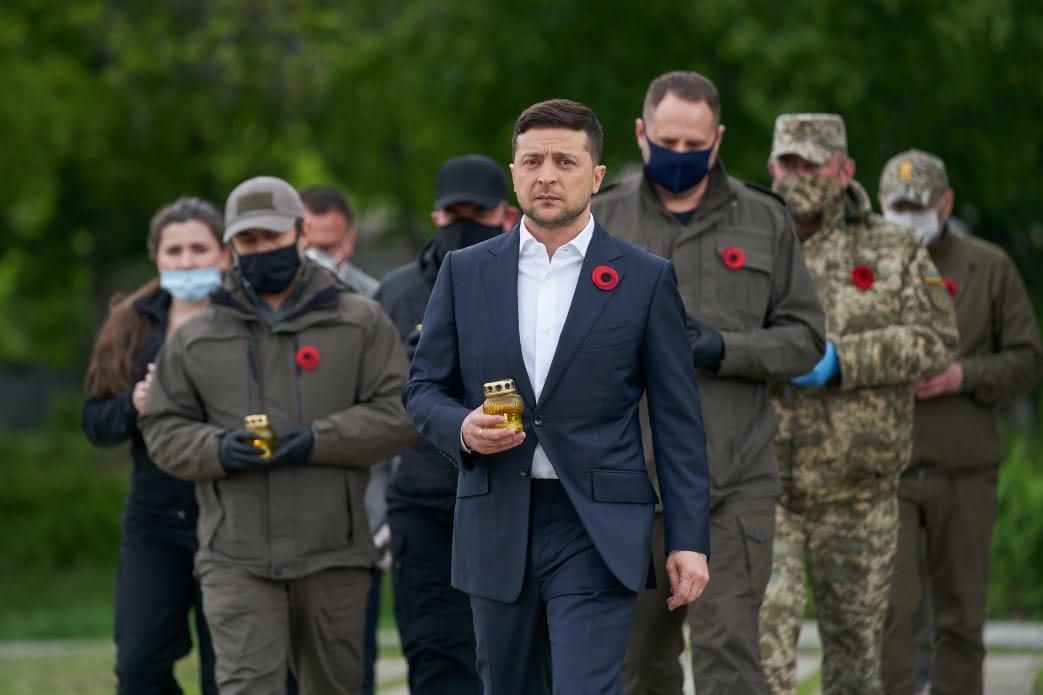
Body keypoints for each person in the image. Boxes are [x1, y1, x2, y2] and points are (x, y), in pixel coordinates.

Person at [402, 98, 713, 695]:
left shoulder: (644, 279)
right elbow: (422, 389)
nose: (547, 174)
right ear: (514, 172)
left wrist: (688, 540)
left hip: (595, 525)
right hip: (496, 516)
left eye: (565, 161)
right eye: (532, 160)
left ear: (595, 176)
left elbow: (678, 422)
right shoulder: (465, 273)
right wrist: (461, 428)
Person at [591, 70, 826, 694]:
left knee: (729, 665)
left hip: (732, 484)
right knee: (634, 671)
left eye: (696, 146)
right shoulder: (600, 219)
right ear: (642, 135)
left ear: (718, 140)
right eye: (669, 141)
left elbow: (806, 340)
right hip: (624, 487)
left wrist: (728, 349)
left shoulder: (763, 219)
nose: (681, 156)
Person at [139, 175, 417, 695]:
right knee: (248, 688)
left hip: (334, 553)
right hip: (235, 557)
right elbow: (162, 426)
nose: (262, 249)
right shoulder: (197, 336)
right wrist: (217, 449)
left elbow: (401, 414)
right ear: (231, 248)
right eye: (248, 241)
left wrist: (318, 439)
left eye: (272, 237)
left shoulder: (360, 320)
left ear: (299, 233)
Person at [758, 114, 960, 694]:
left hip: (859, 491)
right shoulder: (749, 243)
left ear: (844, 169)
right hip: (764, 485)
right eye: (789, 164)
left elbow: (937, 341)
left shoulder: (892, 247)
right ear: (772, 167)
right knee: (762, 651)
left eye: (813, 165)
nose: (800, 177)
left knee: (854, 658)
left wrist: (843, 360)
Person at [876, 149, 1043, 695]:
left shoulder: (988, 266)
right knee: (890, 613)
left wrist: (961, 375)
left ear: (944, 203)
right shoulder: (862, 264)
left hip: (964, 470)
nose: (906, 214)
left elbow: (1027, 358)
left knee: (962, 617)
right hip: (887, 471)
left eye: (917, 205)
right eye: (895, 204)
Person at [376, 153, 518, 694]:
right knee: (436, 658)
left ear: (503, 214)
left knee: (509, 659)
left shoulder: (525, 279)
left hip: (503, 492)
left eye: (476, 212)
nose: (462, 223)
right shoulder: (394, 294)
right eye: (452, 212)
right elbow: (380, 402)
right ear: (435, 216)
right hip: (424, 499)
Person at [82, 196, 228, 695]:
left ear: (224, 254)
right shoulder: (130, 323)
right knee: (139, 666)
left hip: (232, 518)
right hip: (155, 521)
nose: (187, 261)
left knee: (228, 673)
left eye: (199, 248)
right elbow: (95, 421)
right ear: (157, 257)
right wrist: (136, 403)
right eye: (175, 250)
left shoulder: (248, 316)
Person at [299, 183, 384, 695]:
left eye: (327, 246)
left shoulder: (376, 303)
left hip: (355, 511)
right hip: (280, 503)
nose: (314, 257)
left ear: (349, 242)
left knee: (351, 660)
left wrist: (382, 517)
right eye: (305, 242)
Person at [300, 185, 379, 296]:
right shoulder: (273, 296)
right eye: (304, 247)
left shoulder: (374, 298)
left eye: (325, 248)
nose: (312, 257)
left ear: (350, 240)